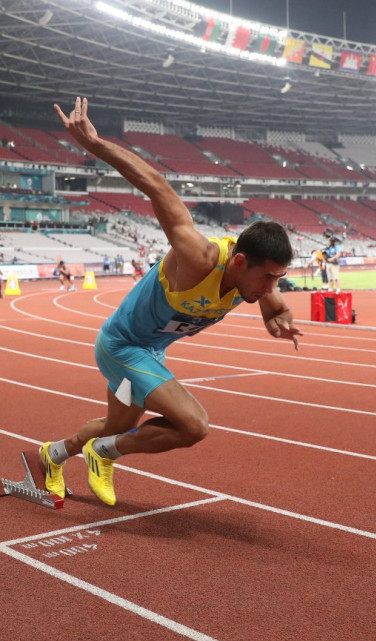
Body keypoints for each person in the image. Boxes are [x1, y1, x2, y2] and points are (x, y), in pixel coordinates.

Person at [39, 97, 302, 506]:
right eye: (267, 277)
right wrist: (94, 145)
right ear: (240, 261)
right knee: (194, 426)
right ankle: (103, 454)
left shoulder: (256, 284)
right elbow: (157, 186)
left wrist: (281, 317)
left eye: (277, 280)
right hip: (122, 346)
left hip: (149, 352)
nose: (270, 288)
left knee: (115, 423)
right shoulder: (198, 257)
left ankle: (52, 455)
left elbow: (275, 306)